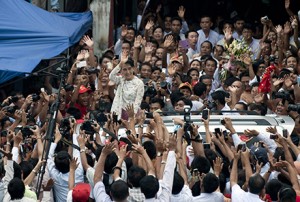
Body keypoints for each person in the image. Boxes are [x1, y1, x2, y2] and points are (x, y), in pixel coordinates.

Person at [109, 50, 144, 116]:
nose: (127, 72)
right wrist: (120, 64)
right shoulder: (121, 80)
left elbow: (138, 102)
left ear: (133, 68)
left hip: (132, 115)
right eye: (124, 69)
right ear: (121, 71)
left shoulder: (139, 83)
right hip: (117, 112)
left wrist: (132, 116)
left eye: (129, 68)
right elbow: (111, 76)